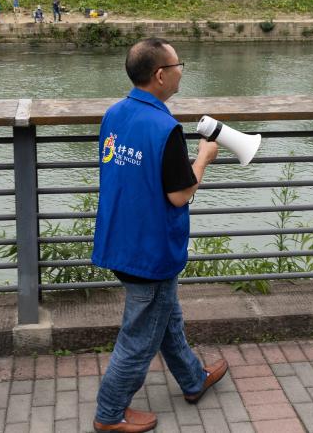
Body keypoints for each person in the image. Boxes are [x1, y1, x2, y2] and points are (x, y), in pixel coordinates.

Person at [91, 38, 228, 433]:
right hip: (150, 249)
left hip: (120, 237)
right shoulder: (165, 128)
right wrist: (203, 158)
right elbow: (180, 194)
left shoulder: (114, 113)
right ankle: (109, 413)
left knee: (165, 316)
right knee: (139, 337)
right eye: (178, 64)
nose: (181, 70)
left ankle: (193, 379)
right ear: (160, 75)